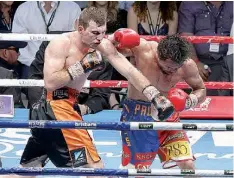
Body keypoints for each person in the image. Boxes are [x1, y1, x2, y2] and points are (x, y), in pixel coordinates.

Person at [0, 7, 175, 178]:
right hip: (57, 111)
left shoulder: (101, 45)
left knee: (28, 170)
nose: (99, 38)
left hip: (57, 111)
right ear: (80, 28)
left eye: (103, 32)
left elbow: (129, 70)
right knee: (95, 169)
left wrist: (154, 94)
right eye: (94, 33)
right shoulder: (61, 43)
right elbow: (50, 82)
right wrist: (82, 65)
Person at [111, 35, 206, 171]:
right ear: (158, 55)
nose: (171, 72)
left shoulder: (187, 65)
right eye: (168, 67)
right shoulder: (143, 50)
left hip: (169, 115)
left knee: (188, 164)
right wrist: (114, 38)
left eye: (175, 68)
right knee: (136, 171)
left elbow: (201, 89)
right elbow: (111, 52)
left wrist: (189, 101)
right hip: (138, 114)